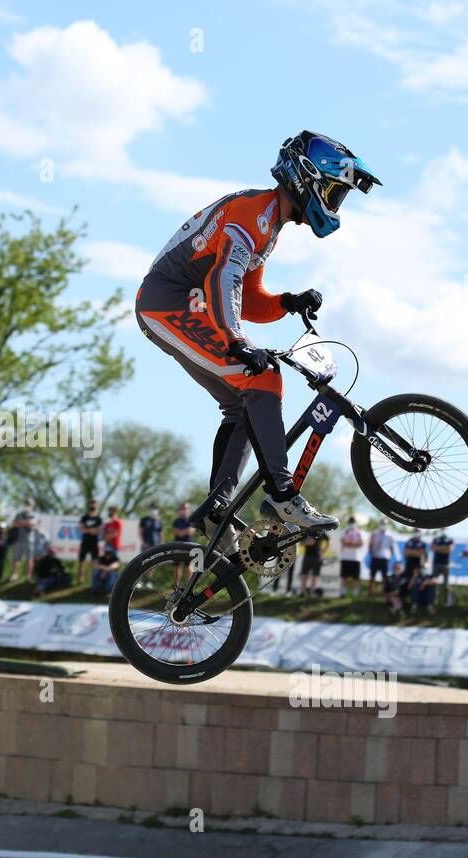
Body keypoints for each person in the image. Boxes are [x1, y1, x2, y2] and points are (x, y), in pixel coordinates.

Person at [137, 131, 379, 538]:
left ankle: (217, 507)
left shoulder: (268, 223)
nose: (336, 206)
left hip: (188, 303)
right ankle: (283, 494)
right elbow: (224, 277)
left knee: (244, 403)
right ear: (308, 178)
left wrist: (287, 301)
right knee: (262, 377)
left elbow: (247, 298)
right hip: (168, 303)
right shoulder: (254, 212)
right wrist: (238, 342)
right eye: (335, 194)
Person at [8, 499, 38, 583]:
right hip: (17, 539)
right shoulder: (19, 514)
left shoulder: (35, 515)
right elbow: (13, 523)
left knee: (29, 558)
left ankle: (28, 576)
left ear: (32, 505)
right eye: (26, 503)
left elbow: (32, 523)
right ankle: (14, 574)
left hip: (29, 540)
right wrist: (26, 522)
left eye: (29, 504)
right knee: (15, 558)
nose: (27, 505)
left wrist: (20, 523)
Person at [77, 501, 102, 585]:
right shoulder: (84, 517)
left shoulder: (98, 519)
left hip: (94, 543)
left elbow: (98, 531)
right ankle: (81, 578)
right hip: (85, 542)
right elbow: (82, 529)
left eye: (94, 505)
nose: (92, 507)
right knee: (81, 560)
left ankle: (94, 580)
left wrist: (88, 530)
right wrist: (91, 530)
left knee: (95, 561)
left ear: (97, 506)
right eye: (91, 505)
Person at [337, 517, 363, 598]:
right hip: (346, 557)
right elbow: (343, 542)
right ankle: (343, 593)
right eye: (351, 522)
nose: (352, 523)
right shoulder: (344, 531)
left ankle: (355, 595)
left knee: (356, 578)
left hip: (356, 558)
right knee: (344, 577)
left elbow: (361, 543)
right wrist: (354, 544)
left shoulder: (359, 532)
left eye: (353, 522)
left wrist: (350, 544)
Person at [367, 521, 394, 596]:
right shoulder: (374, 533)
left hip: (385, 558)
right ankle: (371, 592)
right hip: (375, 557)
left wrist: (390, 556)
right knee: (372, 576)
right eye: (382, 524)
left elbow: (391, 547)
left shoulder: (390, 535)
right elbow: (370, 545)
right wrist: (371, 553)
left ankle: (384, 592)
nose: (383, 526)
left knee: (384, 577)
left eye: (385, 524)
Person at [171, 502, 194, 586]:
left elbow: (191, 531)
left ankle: (189, 585)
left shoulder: (191, 520)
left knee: (189, 566)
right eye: (183, 508)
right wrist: (184, 531)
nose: (184, 510)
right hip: (177, 546)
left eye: (186, 508)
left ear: (189, 510)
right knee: (177, 566)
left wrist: (180, 532)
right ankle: (176, 586)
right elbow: (174, 531)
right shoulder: (176, 521)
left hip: (189, 546)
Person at [430, 530, 454, 605]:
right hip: (436, 564)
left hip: (445, 564)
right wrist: (444, 548)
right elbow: (433, 548)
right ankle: (434, 600)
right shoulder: (435, 539)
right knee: (434, 583)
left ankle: (448, 602)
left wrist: (439, 548)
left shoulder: (450, 539)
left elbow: (449, 550)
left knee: (446, 584)